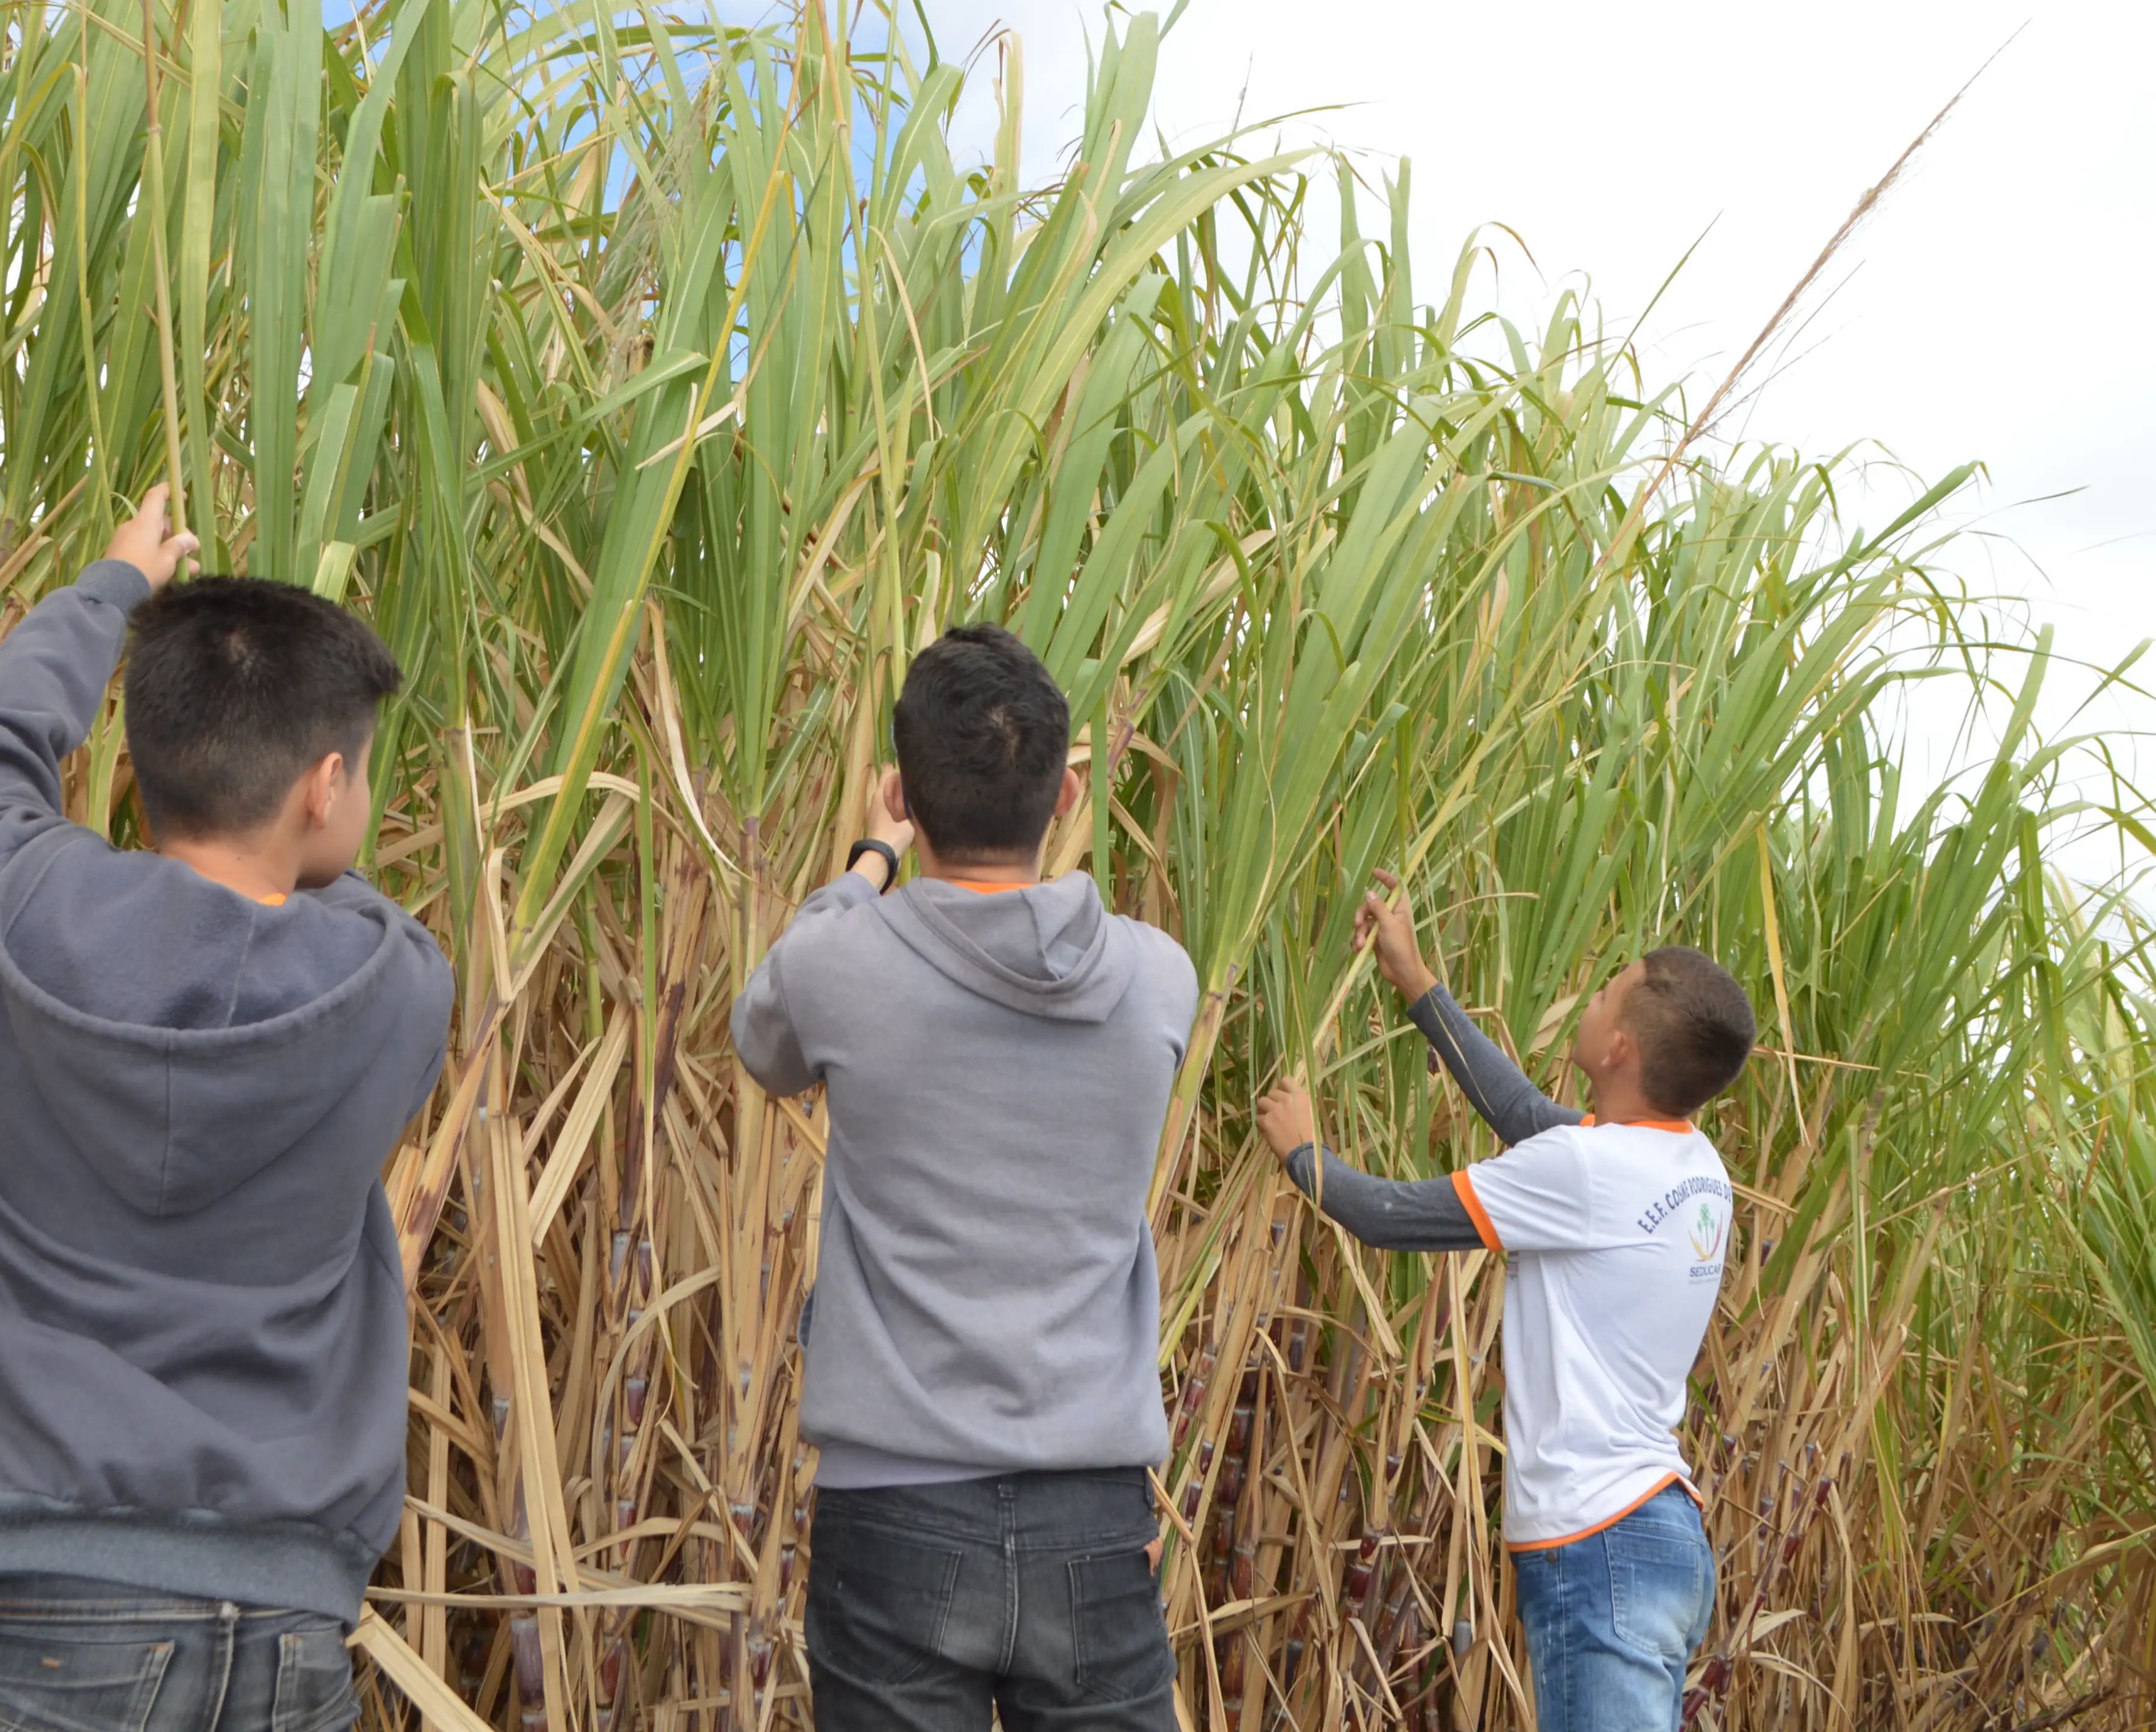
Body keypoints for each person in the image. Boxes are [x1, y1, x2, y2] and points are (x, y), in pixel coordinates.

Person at [0, 486, 455, 1732]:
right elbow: (331, 897)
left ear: (141, 759)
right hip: (284, 1631)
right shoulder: (400, 983)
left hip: (22, 1618)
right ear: (323, 787)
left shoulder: (9, 911)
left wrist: (109, 592)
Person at [731, 625, 1201, 1732]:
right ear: (1068, 790)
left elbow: (763, 1042)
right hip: (1092, 1513)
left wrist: (867, 861)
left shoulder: (838, 962)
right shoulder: (1159, 980)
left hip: (893, 1509)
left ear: (903, 788)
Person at [1254, 883, 1754, 1732]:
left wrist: (1306, 1154)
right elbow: (1527, 1117)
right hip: (1657, 1535)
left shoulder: (1590, 1171)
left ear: (1621, 1048)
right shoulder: (1692, 1161)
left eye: (1605, 993)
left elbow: (1386, 1217)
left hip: (1600, 1543)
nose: (1590, 1000)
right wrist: (1418, 985)